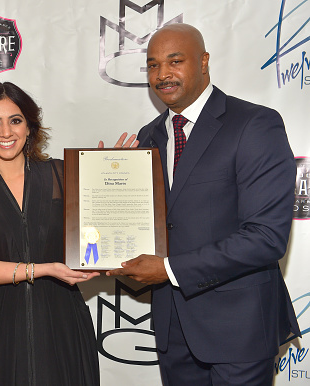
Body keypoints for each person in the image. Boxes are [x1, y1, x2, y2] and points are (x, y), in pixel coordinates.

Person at [106, 23, 300, 385]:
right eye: (152, 65)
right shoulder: (149, 136)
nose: (163, 74)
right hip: (173, 331)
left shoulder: (254, 124)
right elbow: (154, 225)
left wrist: (169, 270)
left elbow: (265, 237)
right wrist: (109, 188)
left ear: (204, 61)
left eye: (175, 61)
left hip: (238, 329)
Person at [0, 82, 108, 385]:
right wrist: (45, 269)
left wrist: (113, 180)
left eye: (15, 120)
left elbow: (97, 236)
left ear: (29, 127)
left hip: (61, 321)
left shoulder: (64, 174)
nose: (6, 132)